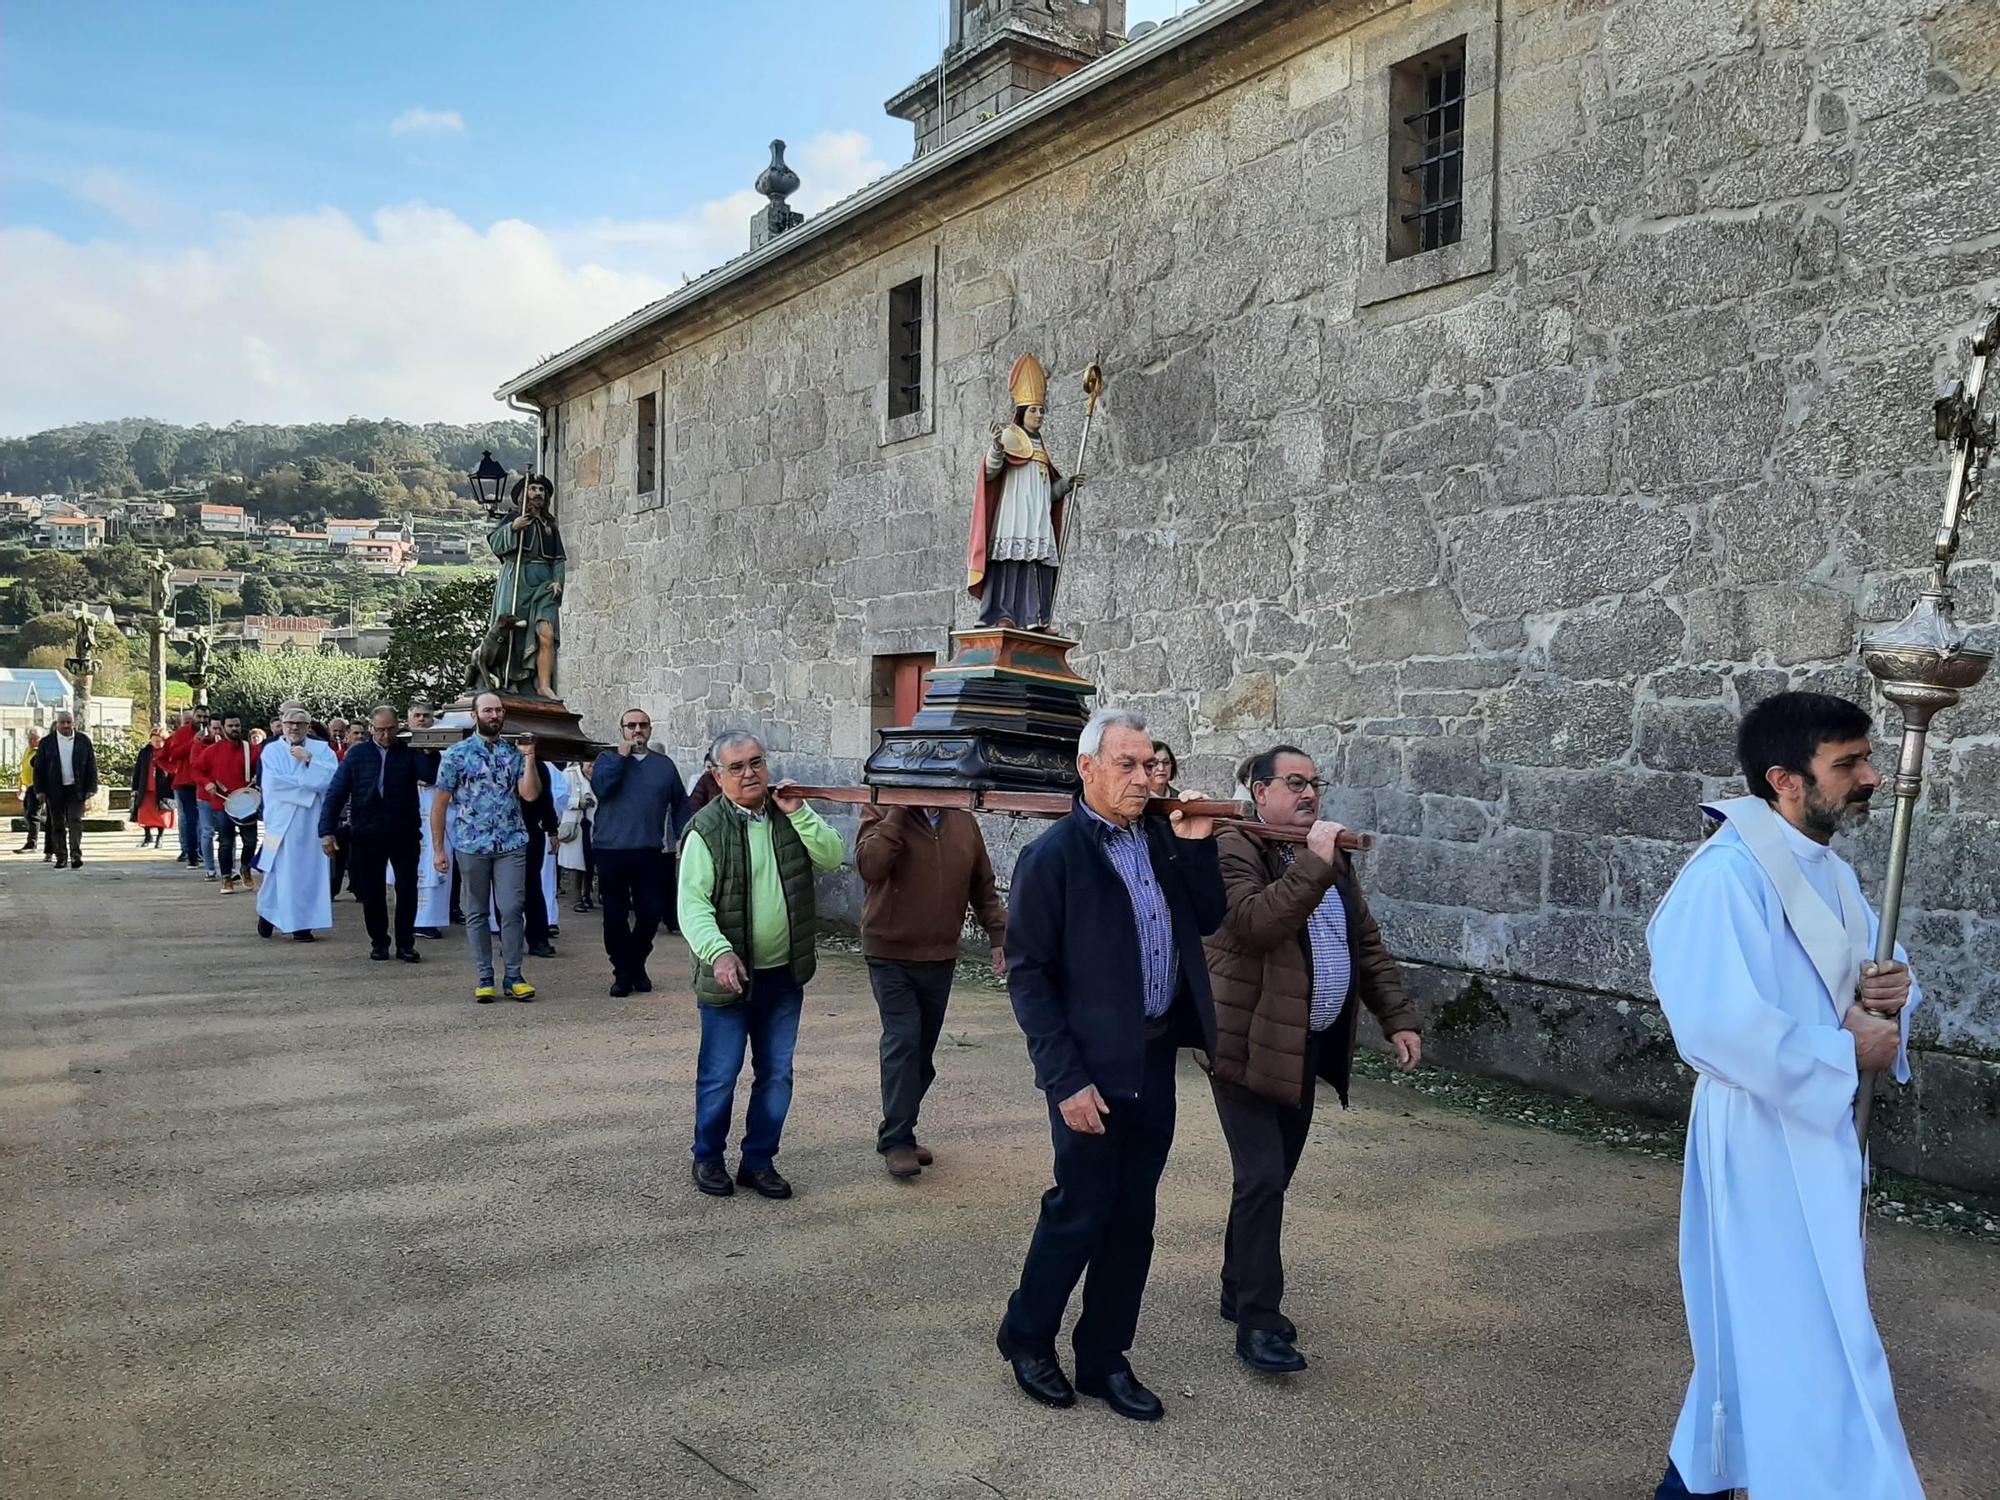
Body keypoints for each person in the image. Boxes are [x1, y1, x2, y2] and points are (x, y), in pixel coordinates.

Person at [1647, 691, 1922, 1500]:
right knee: (1793, 1336)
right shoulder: (1726, 878)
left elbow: (1866, 970)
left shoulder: (1829, 870)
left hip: (1818, 1133)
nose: (1871, 777)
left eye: (1869, 758)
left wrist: (1898, 989)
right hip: (1760, 1137)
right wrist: (1846, 1054)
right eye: (1849, 764)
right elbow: (1716, 1026)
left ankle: (1699, 1483)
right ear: (1785, 780)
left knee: (1779, 1335)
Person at [996, 706, 1223, 1423]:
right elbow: (1028, 973)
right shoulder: (1054, 856)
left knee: (1134, 1217)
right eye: (1125, 764)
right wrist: (1064, 1080)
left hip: (1153, 1058)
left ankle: (1104, 1358)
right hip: (1089, 1069)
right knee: (1079, 1211)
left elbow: (1210, 918)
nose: (1143, 777)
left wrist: (1195, 847)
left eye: (1150, 764)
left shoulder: (1160, 840)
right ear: (1086, 769)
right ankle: (1028, 1339)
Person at [1202, 744, 1423, 1375]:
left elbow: (1366, 945)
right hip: (1244, 1042)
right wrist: (1314, 864)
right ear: (1259, 789)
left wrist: (1398, 1018)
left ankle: (1235, 1287)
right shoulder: (1235, 845)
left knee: (1268, 1182)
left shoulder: (1330, 855)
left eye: (1315, 783)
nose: (1309, 794)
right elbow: (1252, 924)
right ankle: (1259, 1323)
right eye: (1295, 782)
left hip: (1301, 1048)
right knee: (1263, 1178)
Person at [677, 731, 844, 1199]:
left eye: (756, 763)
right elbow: (692, 906)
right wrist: (718, 952)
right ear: (717, 775)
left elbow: (833, 856)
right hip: (729, 977)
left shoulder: (787, 814)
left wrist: (801, 812)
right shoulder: (705, 830)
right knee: (721, 1073)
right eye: (737, 767)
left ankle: (758, 1161)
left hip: (783, 974)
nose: (750, 774)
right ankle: (708, 1158)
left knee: (777, 1072)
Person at [855, 803, 1007, 1179]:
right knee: (903, 1041)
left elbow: (982, 885)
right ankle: (898, 1140)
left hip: (939, 955)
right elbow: (869, 866)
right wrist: (898, 813)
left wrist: (998, 935)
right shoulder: (880, 811)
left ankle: (897, 1124)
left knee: (922, 1053)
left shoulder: (964, 821)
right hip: (889, 951)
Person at [431, 692, 541, 1003]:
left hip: (510, 842)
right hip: (471, 843)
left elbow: (530, 795)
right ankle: (484, 975)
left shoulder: (514, 753)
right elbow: (439, 806)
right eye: (487, 710)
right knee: (476, 911)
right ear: (475, 715)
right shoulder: (456, 755)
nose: (493, 715)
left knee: (511, 908)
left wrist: (530, 757)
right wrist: (439, 849)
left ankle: (514, 974)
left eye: (498, 710)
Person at [966, 352, 1082, 630]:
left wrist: (1066, 485)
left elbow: (1047, 492)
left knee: (1038, 564)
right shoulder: (1009, 437)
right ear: (1021, 412)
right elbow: (991, 471)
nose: (1039, 415)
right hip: (1014, 514)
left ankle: (1036, 619)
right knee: (1010, 563)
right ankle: (1002, 614)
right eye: (1033, 410)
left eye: (1042, 410)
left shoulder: (1041, 445)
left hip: (1037, 517)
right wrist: (995, 448)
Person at [590, 709, 691, 996]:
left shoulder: (664, 766)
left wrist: (686, 837)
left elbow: (681, 804)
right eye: (631, 726)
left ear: (650, 729)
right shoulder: (607, 760)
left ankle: (635, 963)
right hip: (610, 849)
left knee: (650, 913)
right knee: (615, 914)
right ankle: (623, 972)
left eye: (643, 725)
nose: (637, 731)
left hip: (649, 849)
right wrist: (621, 758)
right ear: (622, 729)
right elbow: (602, 789)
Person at [319, 705, 424, 963]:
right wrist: (326, 831)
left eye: (391, 730)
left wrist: (428, 750)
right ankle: (379, 942)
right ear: (371, 729)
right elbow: (336, 792)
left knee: (408, 888)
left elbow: (430, 775)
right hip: (367, 832)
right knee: (372, 891)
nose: (386, 736)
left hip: (404, 831)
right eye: (380, 730)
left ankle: (405, 943)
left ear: (398, 727)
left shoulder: (409, 753)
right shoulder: (358, 755)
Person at [255, 709, 338, 942]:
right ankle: (269, 913)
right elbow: (275, 785)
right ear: (282, 724)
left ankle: (302, 924)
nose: (294, 728)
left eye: (300, 724)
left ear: (308, 726)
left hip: (311, 821)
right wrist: (310, 787)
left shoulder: (321, 750)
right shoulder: (271, 751)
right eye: (290, 723)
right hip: (282, 821)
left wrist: (310, 759)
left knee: (307, 874)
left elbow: (331, 780)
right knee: (279, 872)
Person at [196, 711, 259, 893]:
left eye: (237, 725)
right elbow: (197, 770)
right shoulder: (211, 751)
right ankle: (226, 878)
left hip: (247, 803)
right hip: (222, 803)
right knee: (226, 842)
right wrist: (207, 783)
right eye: (230, 726)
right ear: (222, 728)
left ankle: (246, 868)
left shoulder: (250, 749)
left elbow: (260, 769)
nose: (234, 729)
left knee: (251, 841)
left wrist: (258, 779)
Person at [407, 701, 452, 938]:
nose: (422, 719)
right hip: (410, 815)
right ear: (409, 719)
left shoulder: (445, 749)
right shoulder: (401, 746)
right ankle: (411, 919)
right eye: (417, 715)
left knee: (438, 868)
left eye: (427, 715)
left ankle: (432, 919)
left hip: (437, 813)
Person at [33, 710, 99, 871]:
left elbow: (92, 766)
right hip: (54, 789)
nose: (66, 726)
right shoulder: (47, 743)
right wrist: (39, 790)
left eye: (68, 722)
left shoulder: (83, 741)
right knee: (57, 825)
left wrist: (91, 787)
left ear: (73, 723)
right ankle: (61, 856)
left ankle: (76, 855)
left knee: (75, 821)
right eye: (62, 723)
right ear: (57, 724)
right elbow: (39, 768)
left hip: (76, 789)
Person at [165, 707, 209, 868]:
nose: (202, 720)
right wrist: (193, 742)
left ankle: (203, 852)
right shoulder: (182, 733)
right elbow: (173, 754)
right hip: (186, 782)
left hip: (205, 783)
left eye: (205, 717)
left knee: (205, 821)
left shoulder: (212, 733)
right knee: (190, 819)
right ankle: (191, 854)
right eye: (199, 716)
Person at [557, 756, 596, 914]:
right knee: (575, 864)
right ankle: (576, 898)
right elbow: (559, 798)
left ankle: (587, 895)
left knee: (590, 861)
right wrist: (578, 802)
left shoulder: (599, 776)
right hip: (575, 823)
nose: (592, 767)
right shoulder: (569, 774)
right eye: (589, 763)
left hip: (592, 824)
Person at [131, 729, 176, 848]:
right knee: (145, 814)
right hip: (146, 788)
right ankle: (147, 835)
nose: (157, 743)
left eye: (160, 741)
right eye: (154, 740)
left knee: (161, 815)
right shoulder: (145, 752)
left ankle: (160, 837)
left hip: (163, 788)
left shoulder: (169, 753)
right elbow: (138, 770)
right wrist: (135, 787)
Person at [16, 727, 43, 855]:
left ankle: (32, 842)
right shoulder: (28, 751)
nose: (33, 742)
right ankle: (30, 840)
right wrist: (21, 785)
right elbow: (24, 769)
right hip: (29, 787)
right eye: (31, 739)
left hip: (37, 787)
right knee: (27, 814)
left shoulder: (41, 752)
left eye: (35, 739)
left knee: (33, 815)